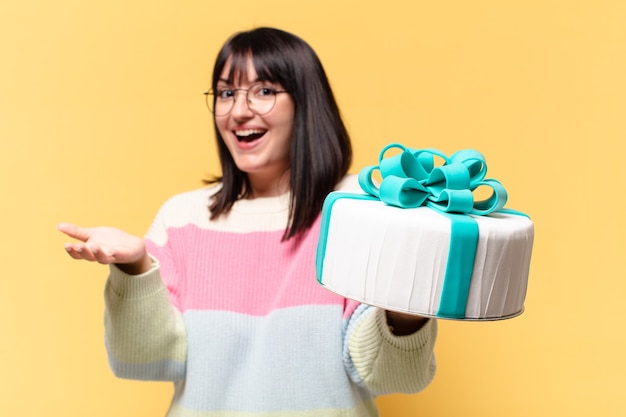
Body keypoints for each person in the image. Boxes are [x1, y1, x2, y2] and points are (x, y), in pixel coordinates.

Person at [58, 27, 437, 417]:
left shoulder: (357, 210)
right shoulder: (183, 219)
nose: (238, 111)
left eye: (264, 91)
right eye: (226, 93)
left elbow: (390, 377)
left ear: (306, 102)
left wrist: (406, 305)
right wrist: (135, 267)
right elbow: (145, 361)